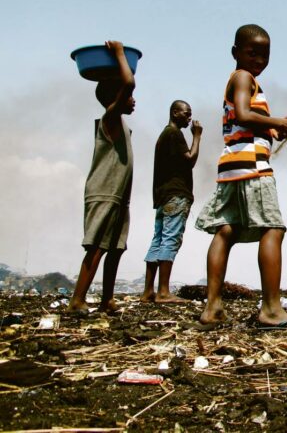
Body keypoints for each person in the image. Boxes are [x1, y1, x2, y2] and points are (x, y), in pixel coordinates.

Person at [194, 24, 287, 328]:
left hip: (230, 167)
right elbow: (242, 114)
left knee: (225, 231)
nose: (258, 60)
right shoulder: (243, 78)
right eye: (252, 53)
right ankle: (271, 308)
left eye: (264, 55)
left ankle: (212, 307)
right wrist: (277, 119)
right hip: (252, 167)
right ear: (235, 53)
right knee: (272, 229)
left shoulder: (242, 81)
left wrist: (273, 129)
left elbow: (245, 122)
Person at [69, 41, 135, 314]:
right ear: (116, 97)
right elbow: (129, 83)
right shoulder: (109, 116)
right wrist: (120, 54)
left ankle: (107, 299)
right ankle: (77, 299)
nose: (133, 99)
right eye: (127, 97)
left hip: (119, 195)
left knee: (115, 247)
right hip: (104, 193)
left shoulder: (120, 122)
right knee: (97, 246)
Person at [140, 100, 202, 303]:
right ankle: (164, 292)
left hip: (162, 195)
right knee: (171, 238)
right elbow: (190, 159)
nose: (189, 117)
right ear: (175, 113)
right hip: (176, 194)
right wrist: (197, 136)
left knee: (158, 239)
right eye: (186, 113)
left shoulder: (163, 136)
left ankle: (148, 291)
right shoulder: (175, 134)